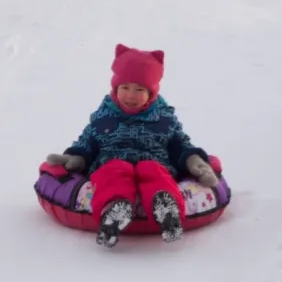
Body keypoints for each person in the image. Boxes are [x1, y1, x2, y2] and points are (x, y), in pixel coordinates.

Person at [46, 44, 219, 248]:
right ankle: (115, 211)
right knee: (113, 171)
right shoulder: (104, 117)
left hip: (154, 163)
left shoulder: (163, 118)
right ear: (115, 88)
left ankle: (167, 209)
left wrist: (193, 161)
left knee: (152, 170)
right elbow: (88, 141)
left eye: (139, 90)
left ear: (152, 93)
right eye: (125, 88)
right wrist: (77, 156)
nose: (131, 95)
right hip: (112, 162)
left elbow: (180, 144)